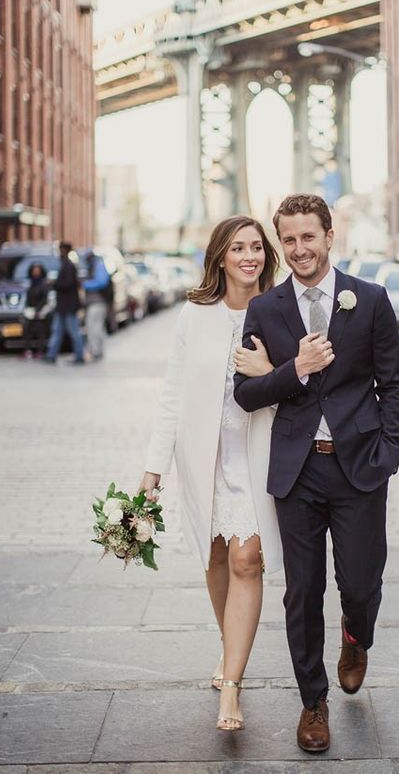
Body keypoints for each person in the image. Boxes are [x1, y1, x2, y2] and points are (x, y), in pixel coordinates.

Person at [234, 193, 399, 753]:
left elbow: (393, 384)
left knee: (359, 583)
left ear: (330, 236)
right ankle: (313, 701)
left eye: (309, 237)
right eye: (288, 239)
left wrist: (389, 450)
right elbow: (245, 394)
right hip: (297, 472)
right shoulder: (264, 309)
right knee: (302, 593)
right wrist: (295, 370)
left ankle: (356, 636)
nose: (298, 249)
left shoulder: (372, 300)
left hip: (360, 467)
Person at [140, 216, 283, 732]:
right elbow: (173, 395)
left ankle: (232, 686)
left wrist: (269, 372)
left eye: (257, 247)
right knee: (216, 554)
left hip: (257, 453)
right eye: (238, 247)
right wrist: (154, 467)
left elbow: (300, 384)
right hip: (202, 456)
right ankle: (230, 648)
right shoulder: (193, 315)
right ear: (220, 256)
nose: (250, 256)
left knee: (248, 558)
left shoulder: (280, 310)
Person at [44, 242, 85, 364]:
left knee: (73, 331)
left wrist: (53, 283)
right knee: (57, 331)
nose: (59, 252)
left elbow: (68, 284)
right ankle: (51, 355)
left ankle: (79, 356)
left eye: (61, 250)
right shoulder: (65, 265)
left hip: (68, 306)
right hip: (63, 306)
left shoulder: (69, 266)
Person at [82, 251, 111, 361]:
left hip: (97, 303)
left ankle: (96, 351)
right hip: (97, 303)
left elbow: (101, 282)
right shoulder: (96, 266)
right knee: (97, 328)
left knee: (94, 328)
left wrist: (85, 284)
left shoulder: (99, 266)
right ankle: (97, 350)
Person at [22, 263, 52, 359]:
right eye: (34, 271)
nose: (35, 273)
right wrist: (27, 309)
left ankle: (40, 351)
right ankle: (28, 350)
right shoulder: (30, 283)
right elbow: (28, 298)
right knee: (27, 329)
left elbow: (44, 299)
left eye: (37, 271)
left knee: (40, 330)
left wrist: (38, 310)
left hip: (41, 311)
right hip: (30, 310)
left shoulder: (44, 284)